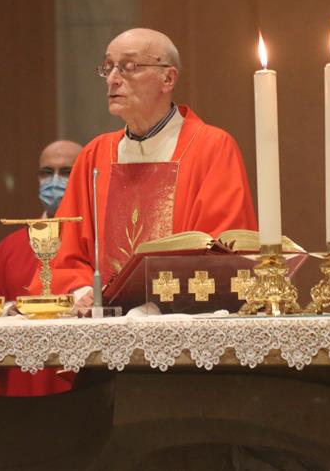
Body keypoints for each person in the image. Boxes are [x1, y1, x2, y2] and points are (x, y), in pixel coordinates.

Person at [30, 28, 257, 313]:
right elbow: (64, 255)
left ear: (168, 78)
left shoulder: (211, 148)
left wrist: (158, 304)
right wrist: (83, 291)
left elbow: (222, 254)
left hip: (182, 331)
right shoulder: (95, 156)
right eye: (108, 67)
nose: (113, 79)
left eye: (129, 67)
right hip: (103, 330)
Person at [0, 139, 82, 396]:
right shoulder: (12, 246)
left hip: (80, 383)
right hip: (19, 383)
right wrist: (11, 310)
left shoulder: (96, 241)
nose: (54, 181)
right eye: (46, 173)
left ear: (82, 178)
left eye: (66, 172)